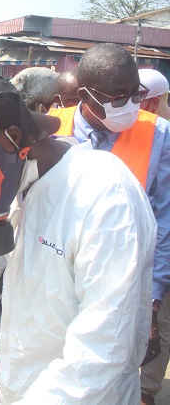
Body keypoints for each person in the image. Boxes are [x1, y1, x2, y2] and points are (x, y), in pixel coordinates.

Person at [0, 72, 156, 403]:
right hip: (20, 380)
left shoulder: (104, 195)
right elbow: (3, 251)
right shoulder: (20, 173)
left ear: (13, 138)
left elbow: (103, 346)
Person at [49, 44, 170, 386]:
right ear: (85, 95)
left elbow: (165, 220)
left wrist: (153, 296)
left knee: (111, 375)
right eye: (118, 98)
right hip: (56, 280)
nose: (130, 106)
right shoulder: (50, 129)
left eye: (136, 94)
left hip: (124, 285)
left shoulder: (159, 136)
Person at [138, 68, 170, 405]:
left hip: (162, 258)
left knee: (158, 326)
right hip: (143, 254)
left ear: (152, 102)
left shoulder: (163, 137)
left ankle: (146, 392)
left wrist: (157, 285)